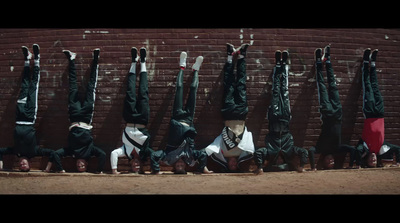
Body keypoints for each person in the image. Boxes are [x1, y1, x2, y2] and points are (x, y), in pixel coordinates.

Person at [151, 52, 213, 174]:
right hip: (189, 119)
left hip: (177, 117)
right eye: (181, 166)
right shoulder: (190, 158)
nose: (179, 164)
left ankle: (182, 66)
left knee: (179, 88)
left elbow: (154, 155)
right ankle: (196, 69)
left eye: (177, 165)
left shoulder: (168, 157)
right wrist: (202, 169)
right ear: (185, 166)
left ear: (174, 166)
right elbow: (202, 155)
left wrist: (156, 170)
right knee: (193, 90)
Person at [48, 48, 106, 173]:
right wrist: (99, 170)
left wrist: (61, 169)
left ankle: (72, 59)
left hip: (74, 117)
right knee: (91, 87)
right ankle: (95, 60)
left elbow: (56, 154)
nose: (80, 165)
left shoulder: (71, 152)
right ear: (86, 163)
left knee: (72, 87)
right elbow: (103, 155)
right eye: (83, 166)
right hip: (86, 117)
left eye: (78, 166)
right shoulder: (90, 152)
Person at [0, 44, 54, 172]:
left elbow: (0, 151)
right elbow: (52, 153)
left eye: (20, 166)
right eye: (24, 166)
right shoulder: (34, 152)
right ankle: (36, 60)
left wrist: (0, 166)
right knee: (33, 86)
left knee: (25, 85)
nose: (21, 164)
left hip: (19, 116)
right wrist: (47, 169)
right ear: (29, 164)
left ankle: (26, 59)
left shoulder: (15, 152)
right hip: (29, 116)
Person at [253, 50, 309, 174]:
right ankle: (284, 66)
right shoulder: (289, 151)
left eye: (277, 163)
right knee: (284, 91)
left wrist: (260, 167)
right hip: (285, 118)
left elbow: (258, 153)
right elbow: (303, 152)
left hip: (273, 119)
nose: (279, 161)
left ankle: (278, 65)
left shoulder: (270, 152)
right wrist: (302, 166)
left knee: (276, 92)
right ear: (285, 161)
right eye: (281, 163)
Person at [205, 43, 254, 172]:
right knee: (241, 84)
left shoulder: (223, 152)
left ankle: (230, 57)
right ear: (237, 164)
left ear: (227, 164)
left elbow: (209, 150)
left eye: (230, 166)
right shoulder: (244, 153)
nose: (233, 164)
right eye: (235, 166)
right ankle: (242, 56)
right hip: (241, 114)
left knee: (229, 85)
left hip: (228, 113)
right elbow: (253, 151)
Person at [110, 47, 157, 174]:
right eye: (138, 166)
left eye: (134, 166)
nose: (136, 164)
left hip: (129, 119)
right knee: (143, 92)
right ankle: (142, 62)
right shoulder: (144, 152)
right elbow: (155, 155)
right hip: (142, 119)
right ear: (141, 164)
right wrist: (156, 170)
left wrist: (114, 170)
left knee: (130, 92)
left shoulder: (125, 151)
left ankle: (133, 62)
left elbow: (114, 153)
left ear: (130, 163)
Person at [353, 48, 400, 168]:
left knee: (368, 87)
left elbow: (357, 151)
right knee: (375, 86)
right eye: (374, 161)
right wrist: (398, 162)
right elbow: (397, 149)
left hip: (369, 113)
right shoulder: (382, 147)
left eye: (370, 161)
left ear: (367, 158)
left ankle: (365, 62)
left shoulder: (365, 146)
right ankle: (373, 63)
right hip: (380, 114)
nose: (373, 159)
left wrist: (358, 164)